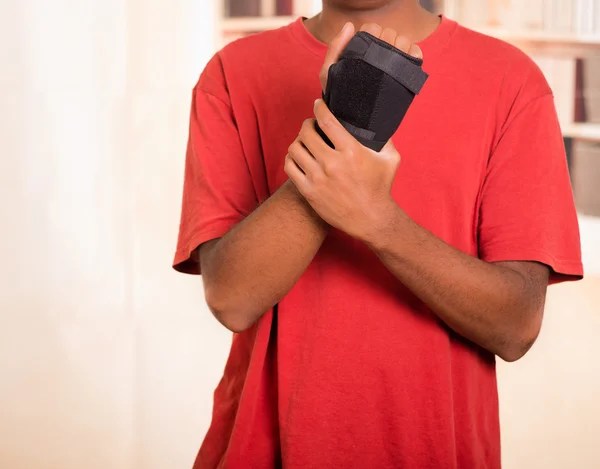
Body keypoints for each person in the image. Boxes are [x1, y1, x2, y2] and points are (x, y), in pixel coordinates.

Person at [173, 1, 583, 468]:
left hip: (431, 450)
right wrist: (348, 128)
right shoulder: (232, 72)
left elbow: (515, 327)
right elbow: (232, 298)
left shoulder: (512, 81)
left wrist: (380, 222)